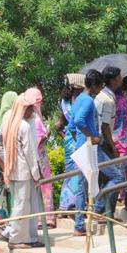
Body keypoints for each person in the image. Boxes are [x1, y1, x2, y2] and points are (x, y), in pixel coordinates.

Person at [72, 70, 123, 235]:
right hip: (90, 148)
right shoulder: (87, 100)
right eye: (100, 85)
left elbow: (72, 126)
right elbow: (79, 121)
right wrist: (91, 136)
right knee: (117, 176)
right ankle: (99, 208)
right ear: (93, 84)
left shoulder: (78, 99)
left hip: (81, 147)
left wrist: (82, 139)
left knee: (81, 186)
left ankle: (79, 225)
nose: (101, 88)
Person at [0, 94, 42, 249]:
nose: (32, 110)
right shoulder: (24, 126)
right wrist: (36, 173)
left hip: (13, 170)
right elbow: (30, 153)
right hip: (24, 171)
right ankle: (16, 239)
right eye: (29, 107)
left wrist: (7, 158)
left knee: (25, 205)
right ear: (22, 108)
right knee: (22, 206)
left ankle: (30, 237)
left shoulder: (9, 123)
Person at [94, 66, 125, 219]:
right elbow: (105, 125)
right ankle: (101, 210)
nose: (122, 78)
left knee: (107, 177)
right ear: (113, 80)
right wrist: (113, 147)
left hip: (99, 143)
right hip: (103, 144)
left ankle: (105, 212)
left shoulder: (102, 96)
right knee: (117, 176)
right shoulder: (107, 100)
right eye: (119, 76)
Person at [25, 88, 56, 228]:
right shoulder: (35, 119)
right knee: (45, 186)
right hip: (39, 159)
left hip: (32, 160)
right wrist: (46, 134)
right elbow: (37, 141)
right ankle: (46, 218)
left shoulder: (28, 118)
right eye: (39, 101)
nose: (40, 104)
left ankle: (39, 219)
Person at [57, 73, 85, 212]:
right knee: (79, 171)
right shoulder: (81, 101)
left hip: (68, 139)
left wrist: (65, 136)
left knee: (70, 172)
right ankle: (74, 204)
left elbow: (59, 125)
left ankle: (65, 204)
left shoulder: (63, 102)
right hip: (79, 137)